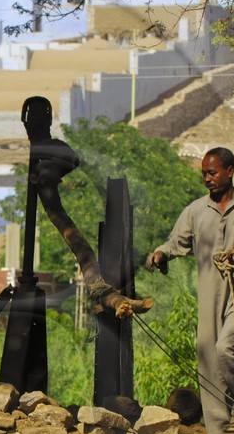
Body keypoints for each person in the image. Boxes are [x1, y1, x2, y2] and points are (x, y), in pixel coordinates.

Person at [145, 147, 234, 434]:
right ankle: (223, 430)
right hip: (210, 293)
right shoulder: (195, 211)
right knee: (209, 355)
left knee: (226, 348)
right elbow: (175, 243)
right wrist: (159, 255)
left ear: (230, 171)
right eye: (204, 174)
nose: (207, 178)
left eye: (213, 172)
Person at [22, 96, 153, 318]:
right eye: (33, 119)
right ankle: (106, 294)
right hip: (53, 205)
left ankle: (106, 293)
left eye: (38, 119)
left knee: (82, 249)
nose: (35, 124)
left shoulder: (53, 148)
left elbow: (73, 159)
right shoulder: (43, 153)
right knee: (80, 247)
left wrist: (47, 167)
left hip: (54, 201)